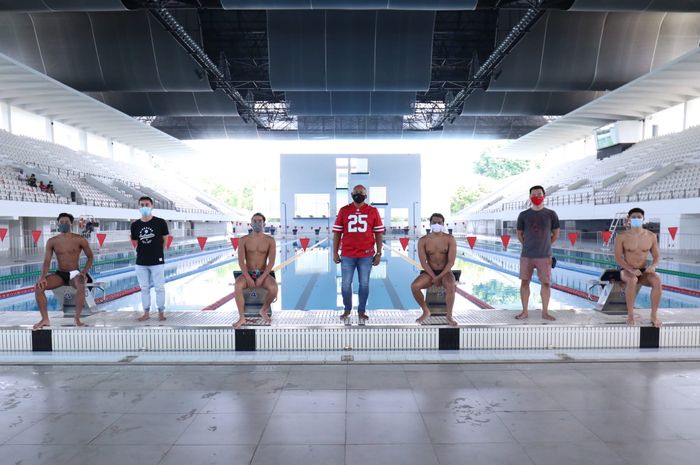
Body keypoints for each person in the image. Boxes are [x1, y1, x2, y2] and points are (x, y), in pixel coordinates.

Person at [333, 184, 385, 322]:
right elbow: (337, 233)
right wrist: (335, 252)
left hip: (366, 255)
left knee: (364, 284)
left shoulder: (372, 211)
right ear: (351, 194)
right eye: (356, 192)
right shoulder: (344, 210)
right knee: (345, 284)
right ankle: (347, 309)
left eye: (361, 192)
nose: (358, 194)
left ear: (366, 195)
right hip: (347, 254)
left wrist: (379, 253)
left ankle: (361, 311)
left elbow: (378, 233)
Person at [33, 213, 94, 329]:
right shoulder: (52, 241)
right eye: (61, 222)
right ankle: (45, 319)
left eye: (66, 222)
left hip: (75, 274)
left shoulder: (79, 239)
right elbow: (47, 261)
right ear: (58, 224)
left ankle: (77, 319)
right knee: (39, 287)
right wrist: (42, 277)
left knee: (81, 285)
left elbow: (90, 257)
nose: (64, 224)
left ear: (71, 223)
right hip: (60, 274)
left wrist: (84, 272)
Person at [515, 185, 560, 321]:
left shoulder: (551, 214)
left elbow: (556, 234)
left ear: (544, 196)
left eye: (539, 194)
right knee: (524, 282)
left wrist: (545, 245)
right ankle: (524, 311)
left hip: (545, 255)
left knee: (546, 283)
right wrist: (528, 245)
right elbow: (519, 235)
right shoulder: (523, 215)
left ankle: (545, 312)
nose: (536, 197)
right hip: (527, 255)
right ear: (530, 197)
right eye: (533, 195)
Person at [614, 207, 662, 327]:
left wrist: (653, 266)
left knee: (657, 280)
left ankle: (654, 315)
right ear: (629, 219)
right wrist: (631, 270)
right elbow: (618, 258)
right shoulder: (622, 237)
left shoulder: (651, 236)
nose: (636, 219)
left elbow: (657, 256)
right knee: (632, 279)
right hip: (626, 270)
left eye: (639, 217)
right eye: (634, 217)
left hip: (643, 271)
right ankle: (630, 315)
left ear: (643, 218)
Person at [411, 213, 458, 326]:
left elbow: (451, 262)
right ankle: (426, 311)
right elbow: (423, 262)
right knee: (414, 286)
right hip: (429, 272)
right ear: (430, 224)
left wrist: (439, 277)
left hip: (445, 271)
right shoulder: (423, 240)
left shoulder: (449, 239)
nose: (437, 224)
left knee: (451, 285)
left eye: (439, 222)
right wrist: (433, 276)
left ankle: (449, 316)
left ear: (443, 224)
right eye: (434, 222)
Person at [233, 213, 277, 328]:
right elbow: (241, 262)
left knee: (274, 288)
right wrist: (247, 277)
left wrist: (262, 277)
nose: (257, 223)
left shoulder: (270, 241)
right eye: (255, 221)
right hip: (248, 272)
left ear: (264, 224)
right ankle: (242, 318)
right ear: (251, 223)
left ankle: (263, 310)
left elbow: (271, 262)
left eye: (260, 221)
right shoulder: (243, 240)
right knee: (237, 285)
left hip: (263, 273)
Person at [130, 196, 169, 321]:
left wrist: (159, 252)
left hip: (156, 260)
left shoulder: (160, 222)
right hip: (141, 261)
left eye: (147, 204)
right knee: (144, 288)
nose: (144, 207)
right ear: (139, 207)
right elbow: (135, 241)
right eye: (142, 204)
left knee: (159, 287)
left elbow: (165, 239)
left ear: (152, 206)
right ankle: (146, 313)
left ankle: (161, 312)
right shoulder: (135, 225)